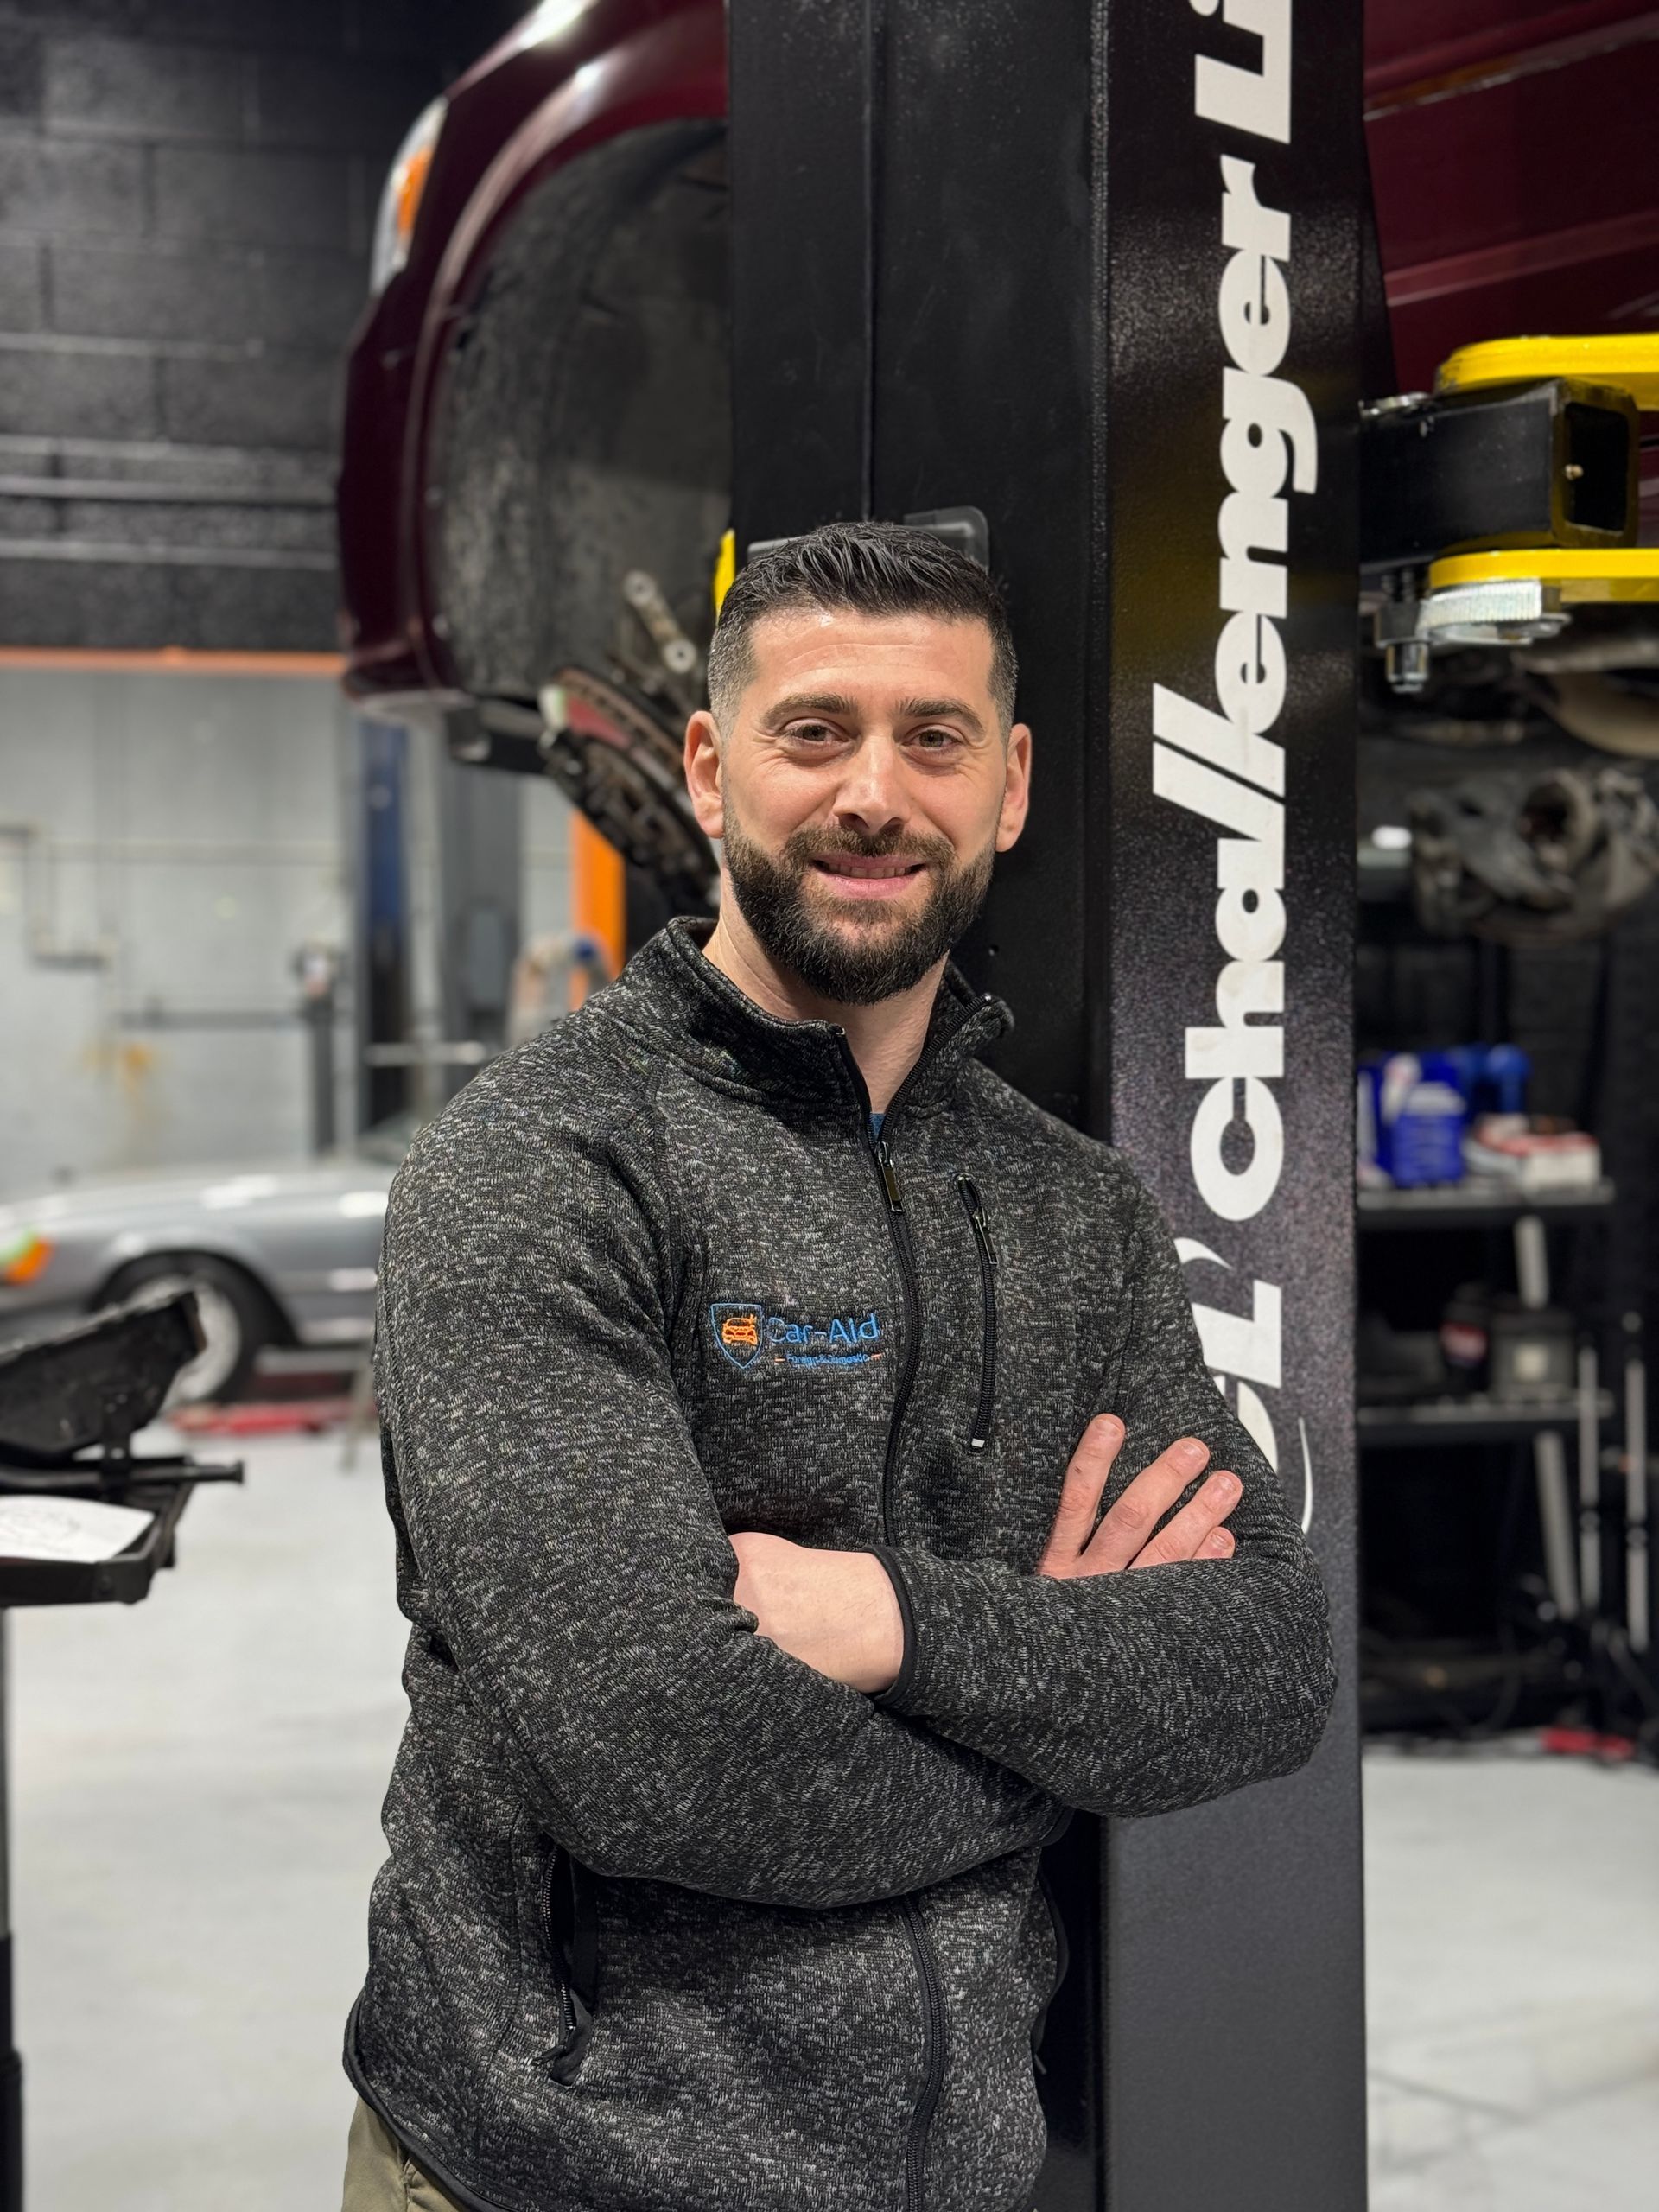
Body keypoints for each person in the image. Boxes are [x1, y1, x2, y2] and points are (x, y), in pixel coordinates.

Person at [340, 522, 1337, 2212]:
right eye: (817, 731)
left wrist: (899, 1621)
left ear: (1009, 783)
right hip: (558, 2172)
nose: (877, 790)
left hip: (959, 2172)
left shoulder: (1073, 1201)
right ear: (715, 765)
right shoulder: (544, 1164)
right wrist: (1076, 1712)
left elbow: (1268, 1659)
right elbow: (664, 1760)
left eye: (932, 736)